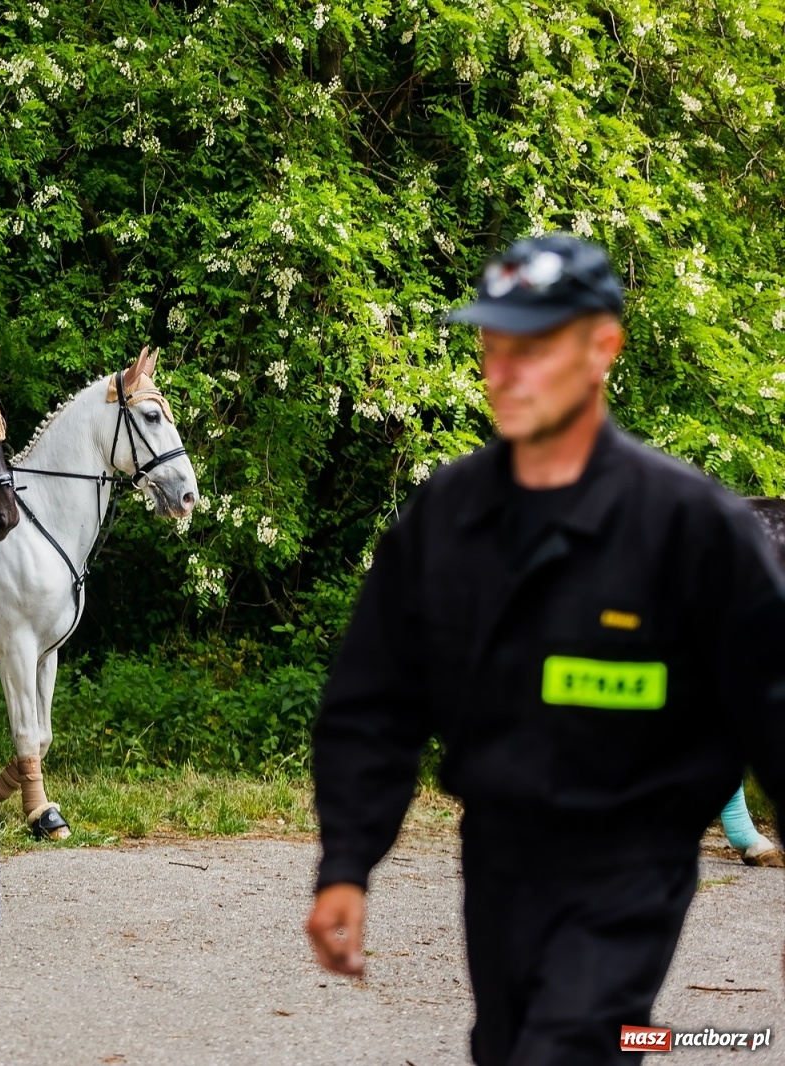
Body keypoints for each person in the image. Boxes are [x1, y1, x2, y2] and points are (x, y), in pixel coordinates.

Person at [306, 233, 785, 1065]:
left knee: (568, 1048)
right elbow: (374, 703)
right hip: (500, 856)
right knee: (510, 1046)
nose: (504, 373)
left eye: (533, 349)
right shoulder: (444, 521)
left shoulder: (690, 527)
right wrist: (347, 862)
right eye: (494, 348)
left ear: (604, 348)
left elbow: (776, 707)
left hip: (634, 860)